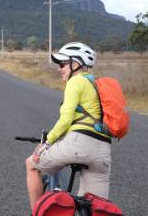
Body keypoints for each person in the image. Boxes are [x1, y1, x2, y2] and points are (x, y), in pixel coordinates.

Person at [25, 42, 112, 209]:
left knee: (31, 164)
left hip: (78, 145)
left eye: (62, 63)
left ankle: (37, 211)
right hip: (102, 152)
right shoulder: (97, 84)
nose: (59, 68)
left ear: (76, 64)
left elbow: (65, 120)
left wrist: (46, 143)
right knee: (94, 206)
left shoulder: (75, 81)